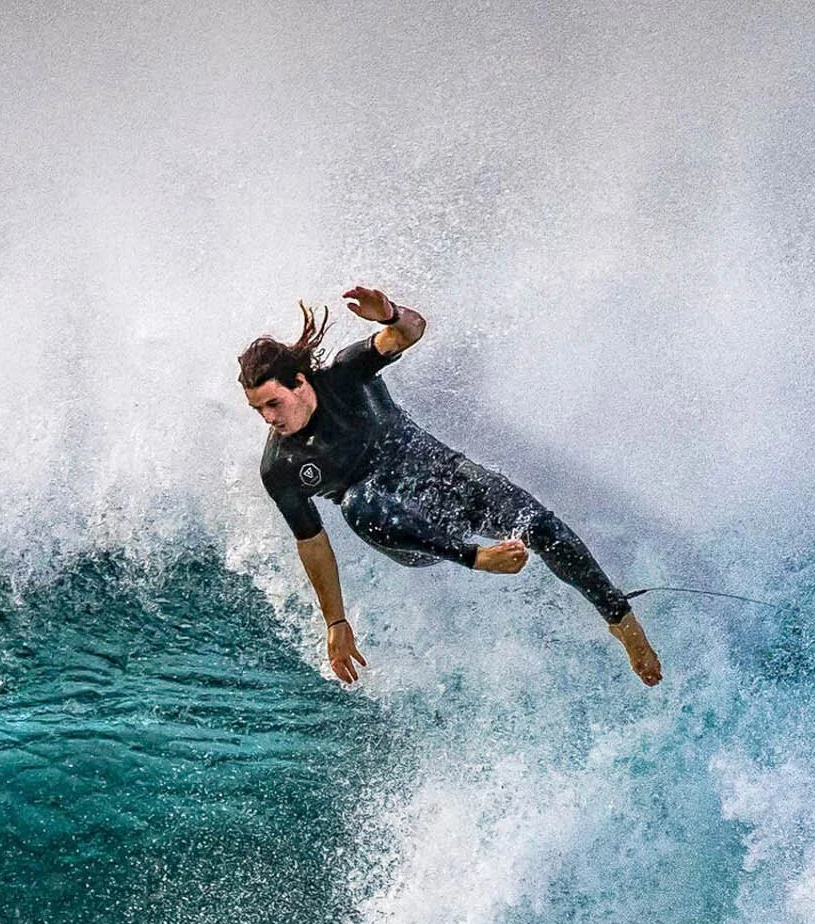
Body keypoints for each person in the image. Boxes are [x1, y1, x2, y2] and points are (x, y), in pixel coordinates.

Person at [240, 287, 663, 687]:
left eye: (272, 403)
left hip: (448, 479)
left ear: (300, 382)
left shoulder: (347, 373)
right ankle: (478, 556)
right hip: (403, 532)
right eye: (258, 409)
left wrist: (389, 313)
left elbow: (410, 331)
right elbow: (311, 543)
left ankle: (619, 619)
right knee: (358, 502)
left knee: (540, 526)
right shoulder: (281, 467)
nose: (268, 418)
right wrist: (336, 622)